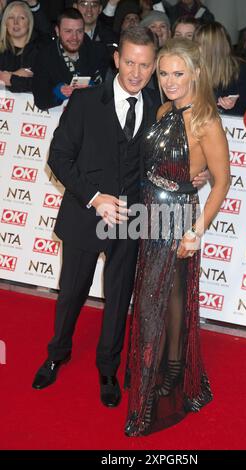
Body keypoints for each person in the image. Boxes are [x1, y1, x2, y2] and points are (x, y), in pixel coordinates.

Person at [31, 26, 161, 408]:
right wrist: (94, 197)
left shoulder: (158, 107)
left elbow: (165, 161)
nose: (136, 72)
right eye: (130, 62)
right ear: (117, 59)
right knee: (71, 292)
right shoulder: (87, 102)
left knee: (120, 296)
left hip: (134, 217)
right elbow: (58, 157)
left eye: (145, 65)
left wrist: (196, 172)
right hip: (87, 213)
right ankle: (57, 353)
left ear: (153, 67)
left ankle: (108, 367)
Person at [125, 37, 230, 436]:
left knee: (169, 298)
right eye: (165, 73)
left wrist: (196, 232)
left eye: (178, 73)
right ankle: (157, 370)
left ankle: (169, 373)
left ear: (196, 74)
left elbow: (221, 182)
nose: (169, 81)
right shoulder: (165, 108)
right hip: (149, 212)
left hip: (178, 218)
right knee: (155, 295)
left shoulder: (206, 120)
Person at [32, 7, 108, 110]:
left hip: (90, 117)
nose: (74, 38)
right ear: (57, 31)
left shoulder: (98, 52)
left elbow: (108, 92)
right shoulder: (44, 56)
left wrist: (92, 89)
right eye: (68, 31)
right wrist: (58, 93)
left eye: (79, 31)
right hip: (57, 120)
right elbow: (41, 100)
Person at [193, 21, 246, 116]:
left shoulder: (238, 69)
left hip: (226, 124)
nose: (194, 47)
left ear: (211, 47)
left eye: (198, 43)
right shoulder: (192, 66)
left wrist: (235, 102)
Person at [0, 1, 41, 92]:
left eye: (21, 18)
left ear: (29, 23)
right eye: (11, 17)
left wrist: (9, 79)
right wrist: (15, 75)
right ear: (5, 23)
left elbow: (43, 84)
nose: (16, 22)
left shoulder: (40, 50)